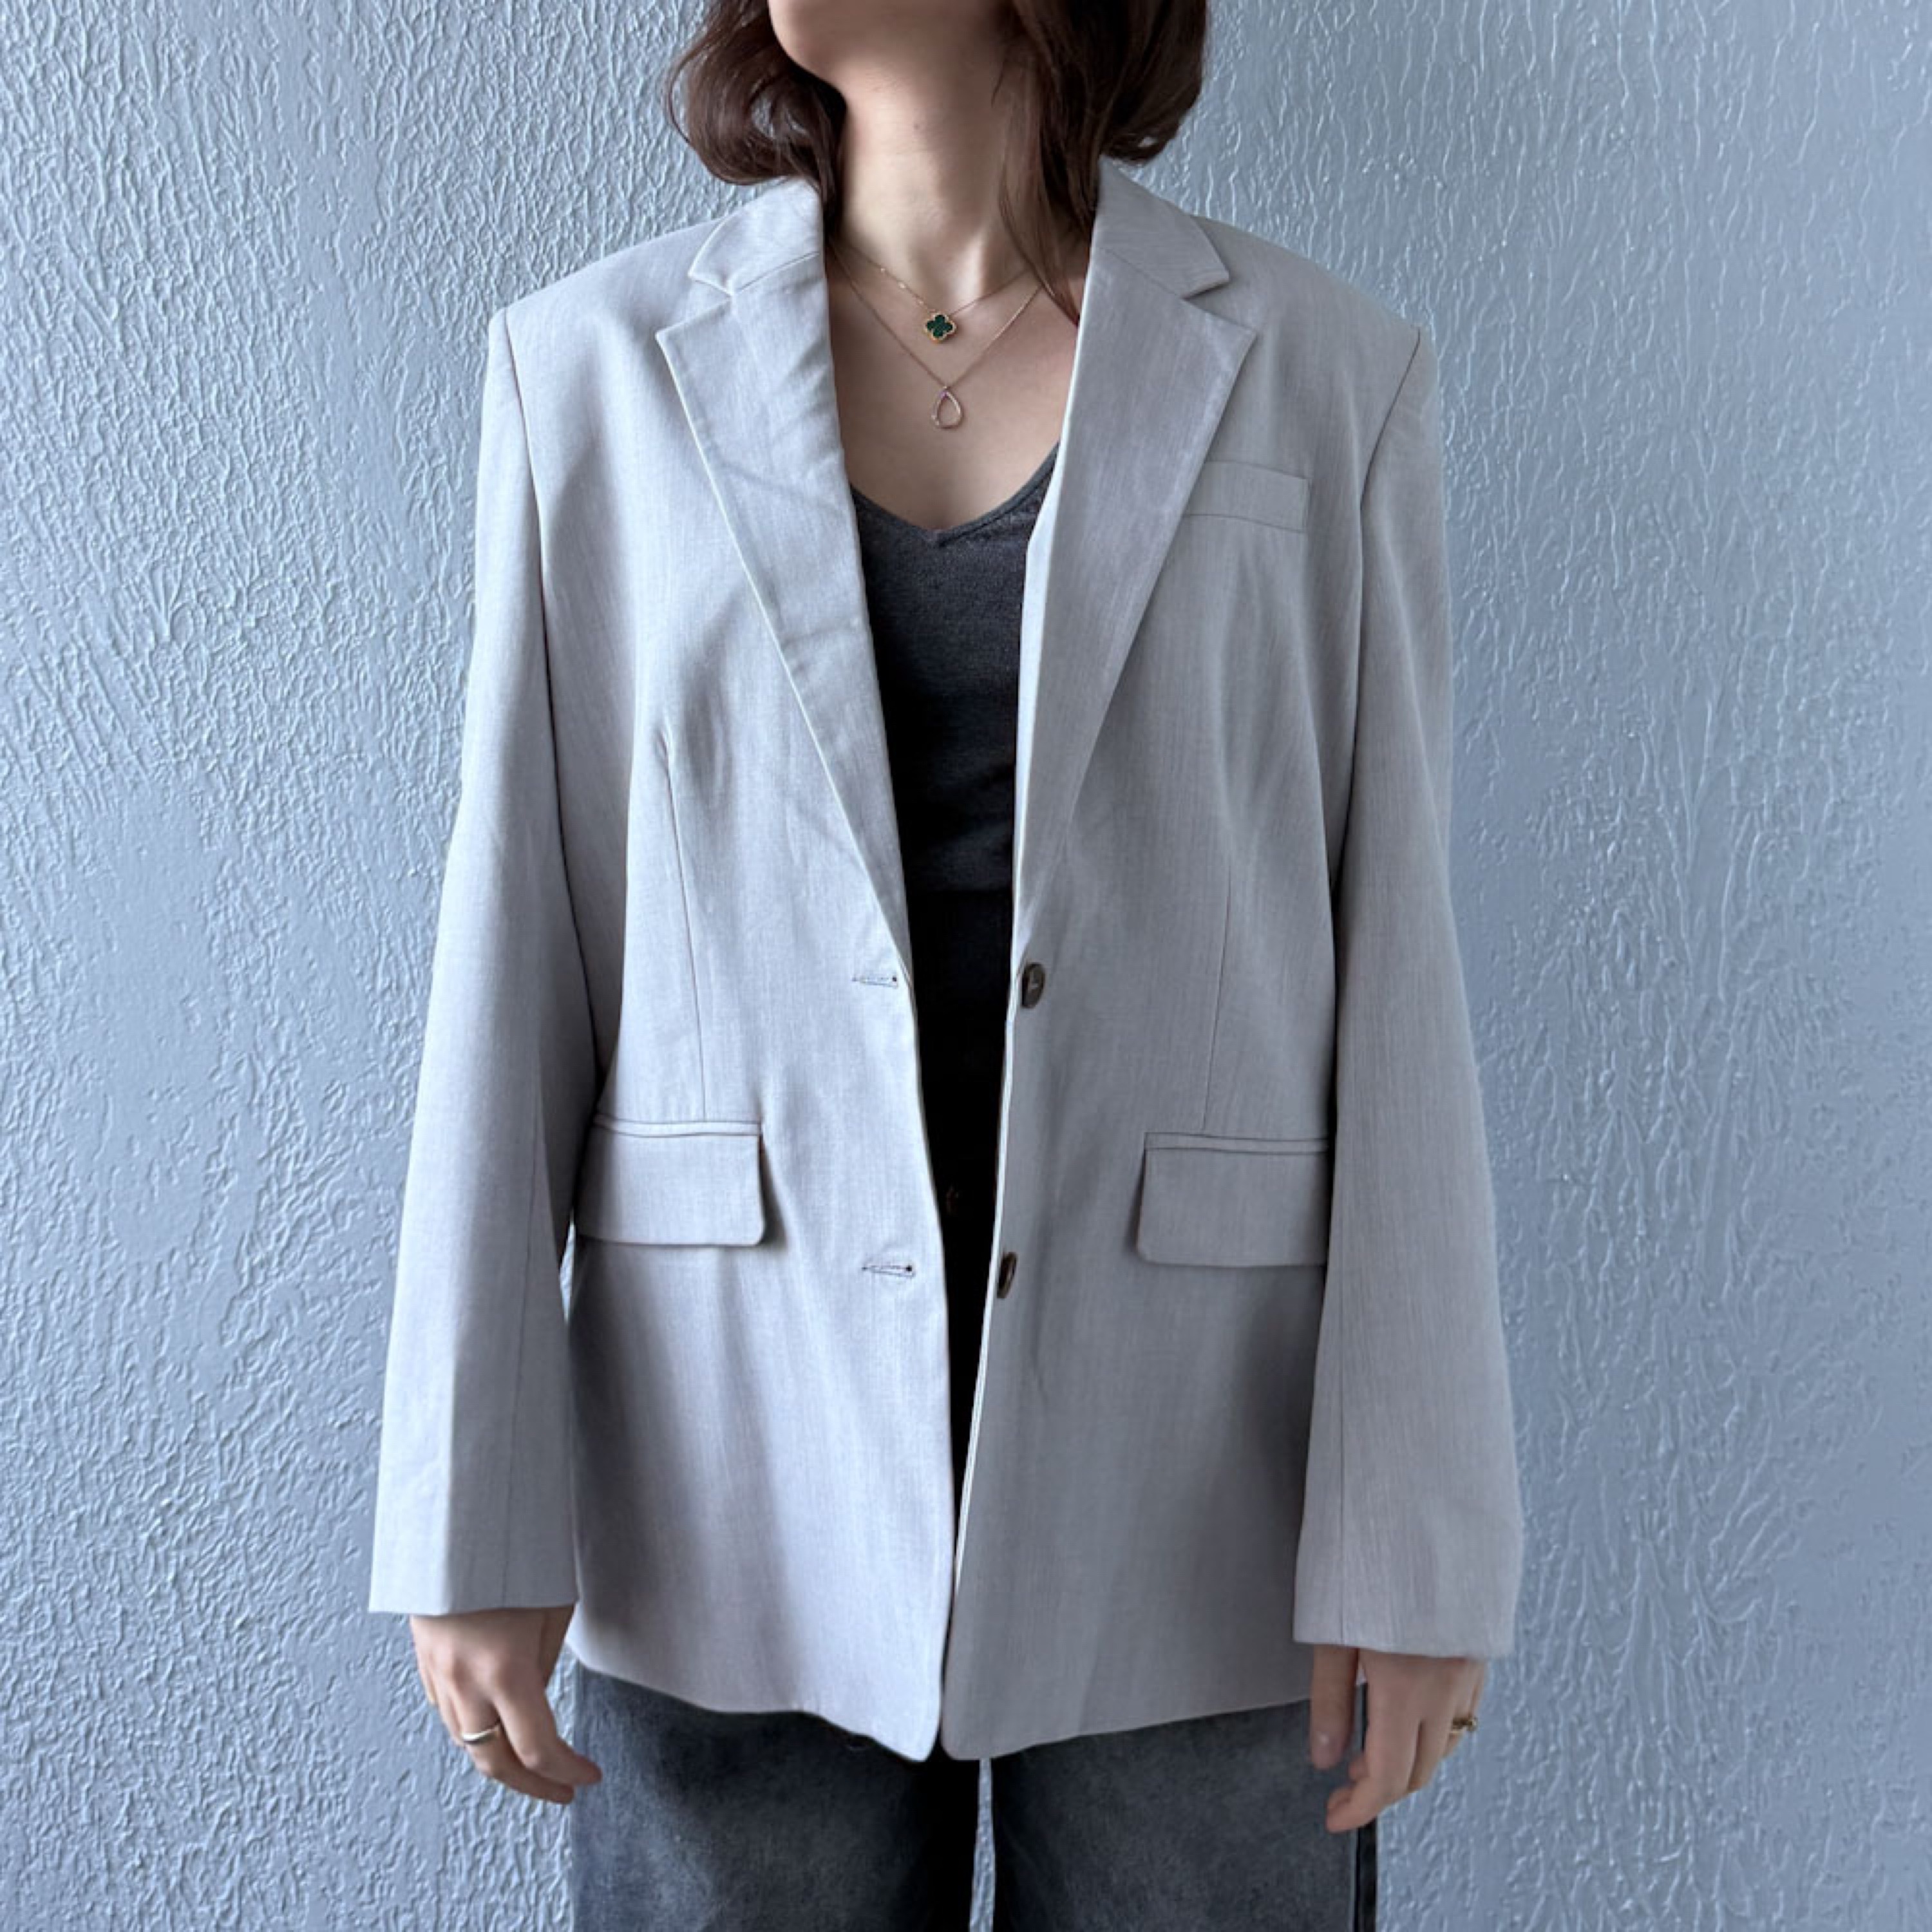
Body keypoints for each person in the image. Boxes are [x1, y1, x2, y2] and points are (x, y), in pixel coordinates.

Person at [370, 1, 1524, 1924]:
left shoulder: (1325, 374)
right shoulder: (588, 370)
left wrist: (1412, 1537)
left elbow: (1396, 958)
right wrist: (469, 1506)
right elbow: (516, 952)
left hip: (1199, 1460)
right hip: (730, 1442)